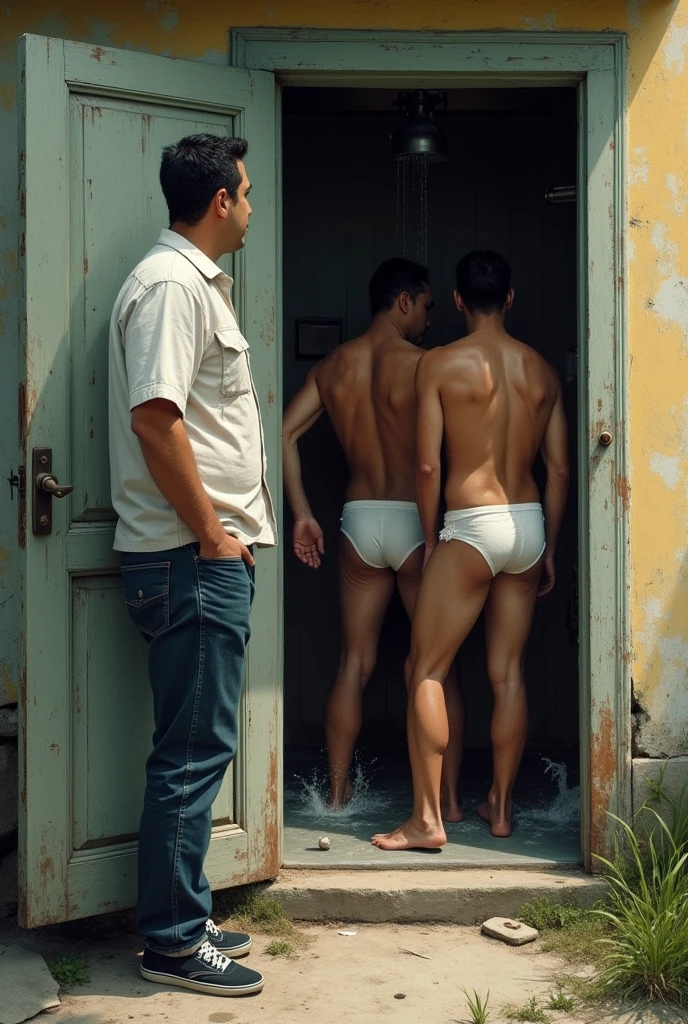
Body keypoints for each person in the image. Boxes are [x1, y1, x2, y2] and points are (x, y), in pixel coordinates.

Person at [109, 133, 277, 996]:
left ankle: (186, 913)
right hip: (187, 560)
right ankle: (173, 944)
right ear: (220, 202)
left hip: (190, 558)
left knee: (195, 746)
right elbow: (156, 418)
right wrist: (214, 534)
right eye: (245, 195)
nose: (251, 210)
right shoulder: (176, 285)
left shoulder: (185, 282)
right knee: (189, 753)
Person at [372, 250, 569, 851]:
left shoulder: (438, 364)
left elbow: (428, 464)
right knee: (506, 673)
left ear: (456, 301)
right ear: (509, 299)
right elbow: (559, 469)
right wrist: (550, 547)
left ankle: (428, 820)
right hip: (528, 523)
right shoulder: (540, 371)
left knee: (425, 669)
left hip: (472, 523)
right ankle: (501, 809)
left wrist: (432, 540)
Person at [282, 259, 464, 817]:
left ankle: (336, 798)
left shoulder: (335, 366)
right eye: (427, 306)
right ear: (403, 302)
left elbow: (285, 433)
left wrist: (303, 514)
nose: (431, 320)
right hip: (413, 518)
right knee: (433, 665)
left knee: (352, 664)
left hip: (359, 519)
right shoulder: (425, 365)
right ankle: (447, 803)